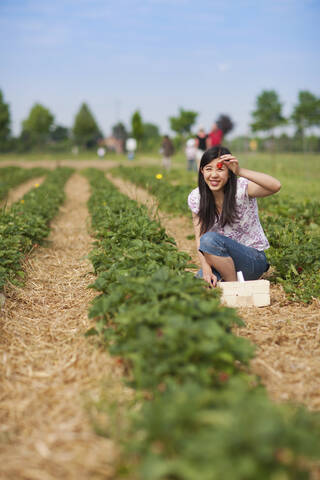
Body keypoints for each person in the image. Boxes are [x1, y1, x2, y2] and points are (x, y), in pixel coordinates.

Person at [187, 146, 281, 287]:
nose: (213, 175)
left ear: (229, 172)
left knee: (210, 239)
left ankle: (234, 287)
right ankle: (230, 283)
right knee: (198, 283)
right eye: (208, 169)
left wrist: (240, 171)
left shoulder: (242, 189)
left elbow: (275, 186)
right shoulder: (197, 197)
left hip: (252, 261)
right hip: (221, 260)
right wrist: (206, 269)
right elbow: (199, 237)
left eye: (220, 169)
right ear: (201, 171)